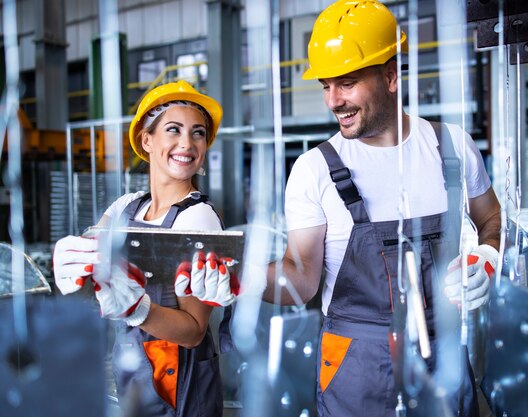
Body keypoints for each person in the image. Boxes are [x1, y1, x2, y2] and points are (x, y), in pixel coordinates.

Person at [263, 1, 501, 416]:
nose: (332, 101)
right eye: (325, 86)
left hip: (442, 355)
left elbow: (491, 219)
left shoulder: (451, 148)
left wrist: (490, 257)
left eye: (347, 83)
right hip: (355, 368)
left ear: (391, 76)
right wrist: (234, 279)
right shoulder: (314, 169)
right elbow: (300, 281)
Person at [52, 80, 238, 417]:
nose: (187, 143)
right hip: (132, 370)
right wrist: (70, 263)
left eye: (198, 133)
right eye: (174, 130)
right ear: (146, 139)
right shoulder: (126, 207)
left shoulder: (198, 217)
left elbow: (194, 332)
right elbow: (92, 265)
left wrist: (138, 310)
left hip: (180, 383)